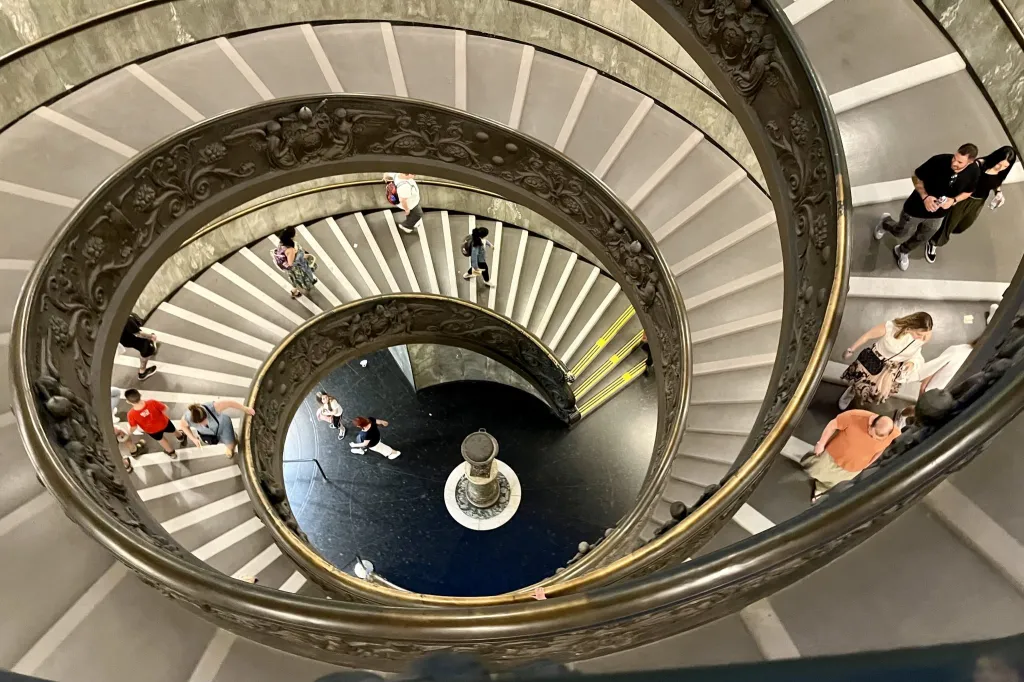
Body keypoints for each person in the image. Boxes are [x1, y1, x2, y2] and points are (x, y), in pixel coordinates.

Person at [874, 144, 980, 271]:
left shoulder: (974, 171)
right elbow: (916, 177)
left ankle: (903, 251)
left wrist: (954, 200)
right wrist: (925, 197)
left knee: (923, 236)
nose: (954, 162)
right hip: (915, 209)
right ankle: (885, 222)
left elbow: (968, 192)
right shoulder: (939, 161)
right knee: (900, 231)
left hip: (938, 214)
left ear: (970, 162)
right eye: (954, 158)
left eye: (959, 162)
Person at [926, 146, 1016, 263]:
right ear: (995, 159)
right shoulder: (979, 165)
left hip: (978, 202)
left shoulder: (1001, 172)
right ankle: (933, 243)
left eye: (1005, 167)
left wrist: (998, 192)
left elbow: (996, 182)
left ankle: (936, 231)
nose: (1001, 168)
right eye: (999, 164)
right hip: (964, 198)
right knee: (950, 223)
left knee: (963, 225)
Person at [839, 312, 933, 409]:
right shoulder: (891, 327)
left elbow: (916, 353)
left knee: (875, 391)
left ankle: (860, 401)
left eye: (925, 335)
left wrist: (911, 363)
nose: (921, 338)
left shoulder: (923, 337)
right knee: (859, 382)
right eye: (919, 334)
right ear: (911, 326)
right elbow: (867, 336)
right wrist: (851, 349)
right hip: (873, 360)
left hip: (891, 369)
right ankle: (851, 392)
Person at [802, 410, 901, 501]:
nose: (874, 439)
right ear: (871, 424)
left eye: (878, 439)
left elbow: (881, 449)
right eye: (872, 435)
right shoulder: (854, 416)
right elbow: (833, 425)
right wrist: (821, 444)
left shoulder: (894, 434)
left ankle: (820, 488)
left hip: (853, 467)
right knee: (815, 469)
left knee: (833, 482)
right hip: (833, 455)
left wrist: (869, 463)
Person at [179, 400, 255, 458]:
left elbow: (229, 403)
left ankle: (231, 444)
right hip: (209, 433)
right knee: (220, 441)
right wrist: (193, 439)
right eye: (199, 423)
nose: (203, 424)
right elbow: (183, 426)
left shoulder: (212, 407)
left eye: (204, 420)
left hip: (223, 427)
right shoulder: (187, 418)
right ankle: (229, 442)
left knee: (231, 445)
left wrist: (245, 409)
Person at [125, 389, 186, 458]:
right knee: (173, 430)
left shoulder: (131, 414)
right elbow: (165, 408)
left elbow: (134, 427)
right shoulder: (152, 402)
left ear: (128, 402)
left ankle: (171, 453)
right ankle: (181, 437)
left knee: (162, 440)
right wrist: (166, 417)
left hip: (152, 431)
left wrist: (129, 432)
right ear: (140, 395)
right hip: (164, 423)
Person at [273, 227, 318, 299]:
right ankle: (294, 291)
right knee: (299, 281)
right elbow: (291, 263)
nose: (296, 234)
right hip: (296, 269)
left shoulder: (282, 242)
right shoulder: (290, 250)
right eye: (294, 233)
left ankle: (299, 288)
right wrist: (302, 255)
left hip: (293, 268)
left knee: (296, 280)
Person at [119, 315, 158, 381]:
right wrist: (151, 336)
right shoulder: (126, 320)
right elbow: (139, 334)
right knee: (147, 348)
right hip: (130, 338)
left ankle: (149, 348)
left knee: (139, 345)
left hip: (124, 339)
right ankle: (142, 373)